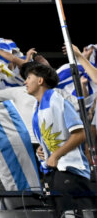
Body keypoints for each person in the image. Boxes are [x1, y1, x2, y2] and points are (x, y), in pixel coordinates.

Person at [25, 62, 93, 213]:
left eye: (29, 77)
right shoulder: (38, 107)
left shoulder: (57, 100)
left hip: (70, 171)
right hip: (53, 172)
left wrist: (55, 154)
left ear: (40, 80)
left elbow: (80, 133)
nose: (25, 82)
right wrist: (43, 151)